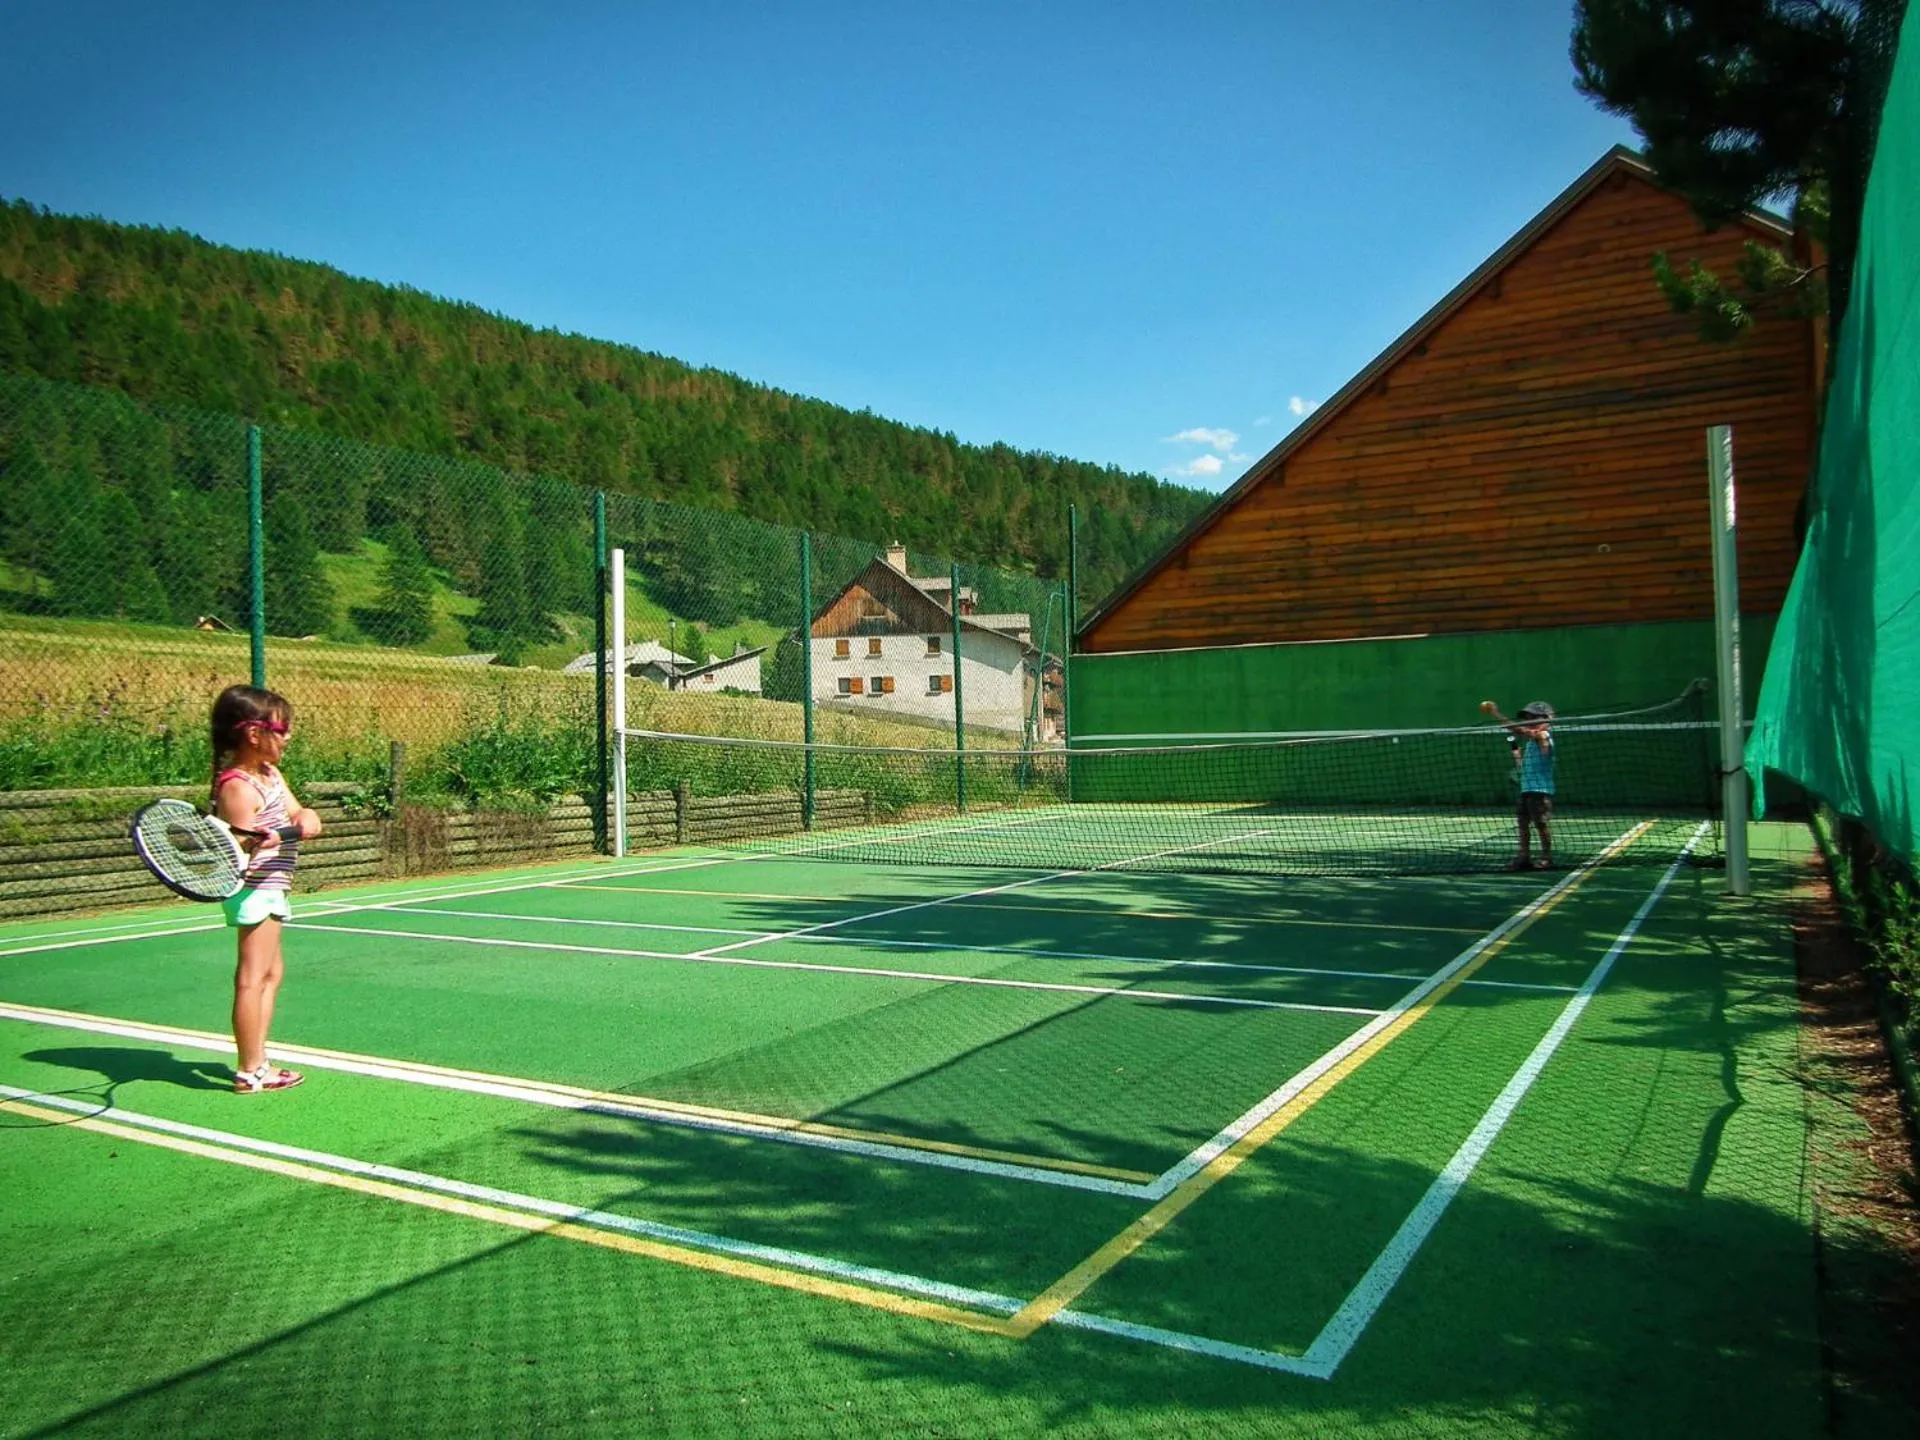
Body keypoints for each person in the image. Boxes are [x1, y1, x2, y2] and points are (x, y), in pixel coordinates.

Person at [210, 684, 322, 1093]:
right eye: (281, 729)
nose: (288, 736)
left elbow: (303, 816)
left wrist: (300, 822)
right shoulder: (238, 787)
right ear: (254, 734)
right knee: (252, 978)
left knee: (271, 974)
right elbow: (239, 848)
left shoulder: (271, 775)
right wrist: (264, 839)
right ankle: (249, 1069)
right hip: (255, 890)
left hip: (274, 887)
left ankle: (259, 1060)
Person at [1505, 701, 1556, 870]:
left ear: (1545, 719)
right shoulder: (1530, 743)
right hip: (1526, 789)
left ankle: (1547, 858)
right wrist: (1516, 753)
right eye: (1527, 718)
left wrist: (1495, 714)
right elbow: (1522, 765)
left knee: (1541, 824)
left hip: (1540, 790)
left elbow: (1523, 731)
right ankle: (1524, 857)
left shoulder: (1544, 735)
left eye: (1532, 717)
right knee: (1522, 824)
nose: (1528, 721)